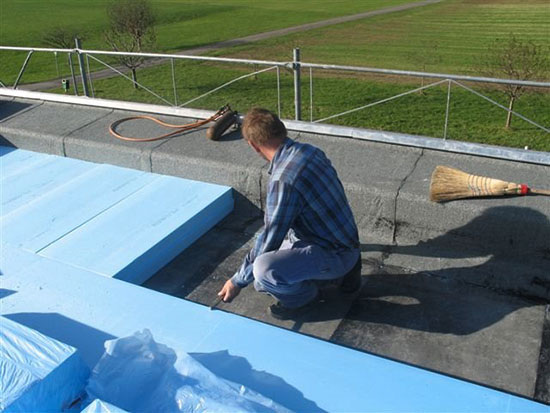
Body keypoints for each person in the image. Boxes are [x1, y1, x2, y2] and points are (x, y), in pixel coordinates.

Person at [217, 108, 361, 320]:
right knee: (262, 279)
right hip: (344, 242)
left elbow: (270, 236)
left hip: (336, 253)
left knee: (264, 273)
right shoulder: (310, 151)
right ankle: (342, 271)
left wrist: (237, 281)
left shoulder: (284, 179)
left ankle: (305, 299)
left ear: (252, 144)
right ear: (281, 129)